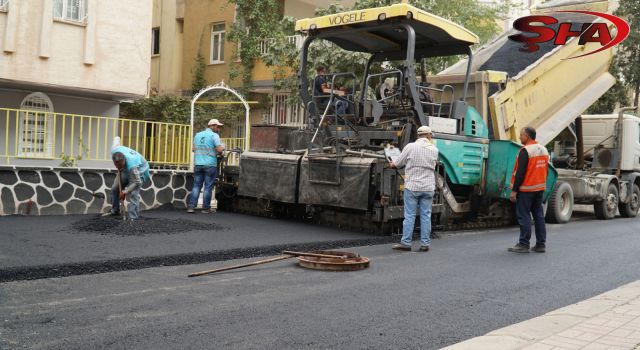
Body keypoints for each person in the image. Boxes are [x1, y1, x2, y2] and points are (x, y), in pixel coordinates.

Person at [390, 125, 439, 252]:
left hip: (412, 186)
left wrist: (392, 164)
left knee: (410, 215)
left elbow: (398, 163)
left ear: (418, 135)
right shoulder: (434, 149)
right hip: (428, 187)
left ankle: (406, 243)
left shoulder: (410, 147)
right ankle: (425, 244)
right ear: (428, 135)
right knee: (426, 216)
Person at [508, 126, 549, 253]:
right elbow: (545, 171)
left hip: (526, 190)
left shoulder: (525, 151)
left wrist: (514, 191)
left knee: (524, 215)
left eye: (521, 135)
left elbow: (519, 173)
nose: (520, 137)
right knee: (539, 216)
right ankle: (541, 244)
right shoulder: (543, 149)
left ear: (528, 136)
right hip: (539, 188)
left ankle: (523, 244)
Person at [188, 118, 225, 213]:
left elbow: (193, 149)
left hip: (198, 164)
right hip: (210, 165)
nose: (218, 128)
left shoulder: (197, 135)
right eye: (218, 126)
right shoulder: (214, 135)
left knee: (196, 185)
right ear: (212, 126)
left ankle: (191, 207)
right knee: (208, 187)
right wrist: (222, 150)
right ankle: (206, 208)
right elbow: (220, 150)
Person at [109, 145, 151, 221]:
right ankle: (115, 210)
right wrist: (120, 167)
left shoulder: (132, 166)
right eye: (116, 165)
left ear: (124, 160)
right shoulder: (114, 151)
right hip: (125, 170)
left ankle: (133, 217)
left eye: (119, 165)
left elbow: (136, 181)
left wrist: (125, 192)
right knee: (115, 188)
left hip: (140, 171)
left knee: (134, 193)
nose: (117, 167)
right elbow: (116, 139)